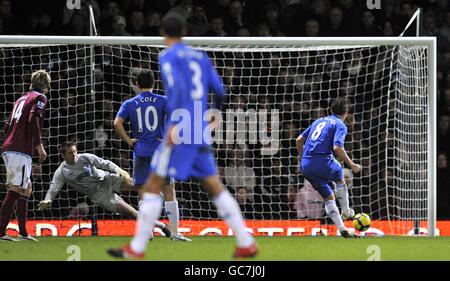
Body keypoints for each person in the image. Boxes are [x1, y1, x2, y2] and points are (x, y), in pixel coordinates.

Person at [107, 15, 257, 259]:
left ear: (164, 33)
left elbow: (177, 89)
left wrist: (175, 125)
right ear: (185, 31)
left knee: (152, 185)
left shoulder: (167, 56)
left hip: (179, 127)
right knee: (214, 185)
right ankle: (245, 241)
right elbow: (220, 92)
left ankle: (138, 248)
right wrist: (213, 116)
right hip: (198, 126)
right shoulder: (201, 57)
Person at [114, 70, 190, 241]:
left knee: (143, 192)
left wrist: (128, 140)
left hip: (140, 150)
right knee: (169, 191)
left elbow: (117, 123)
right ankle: (175, 233)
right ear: (154, 83)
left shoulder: (130, 103)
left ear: (137, 84)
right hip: (160, 151)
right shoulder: (163, 100)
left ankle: (147, 233)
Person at [38, 141, 171, 240]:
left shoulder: (85, 157)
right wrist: (48, 200)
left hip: (107, 179)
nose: (74, 155)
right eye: (70, 153)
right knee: (132, 213)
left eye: (75, 151)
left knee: (139, 184)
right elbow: (53, 188)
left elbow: (104, 163)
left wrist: (118, 170)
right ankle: (162, 226)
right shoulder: (62, 172)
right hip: (99, 195)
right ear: (63, 155)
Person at [296, 97, 362, 238]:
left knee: (328, 197)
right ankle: (346, 211)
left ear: (331, 110)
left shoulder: (319, 121)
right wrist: (352, 164)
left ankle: (342, 228)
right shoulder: (340, 124)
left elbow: (299, 140)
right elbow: (337, 147)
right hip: (322, 161)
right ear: (346, 112)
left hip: (306, 166)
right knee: (340, 178)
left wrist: (303, 158)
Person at [0, 70, 50, 241]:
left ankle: (23, 232)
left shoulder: (21, 98)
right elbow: (34, 119)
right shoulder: (40, 98)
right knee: (15, 189)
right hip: (19, 147)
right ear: (45, 86)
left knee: (26, 188)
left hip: (11, 145)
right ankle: (0, 232)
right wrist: (39, 145)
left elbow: (8, 123)